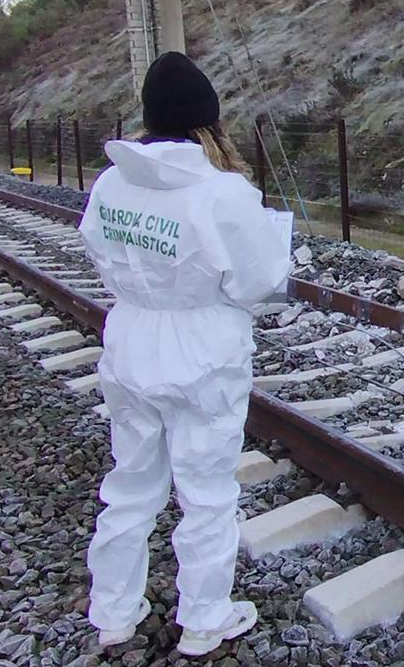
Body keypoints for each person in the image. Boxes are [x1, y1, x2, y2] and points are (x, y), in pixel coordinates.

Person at [78, 52, 290, 656]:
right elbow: (259, 282)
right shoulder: (223, 194)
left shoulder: (112, 182)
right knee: (207, 491)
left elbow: (99, 251)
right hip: (203, 351)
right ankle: (204, 619)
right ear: (209, 123)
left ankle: (114, 612)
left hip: (131, 340)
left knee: (130, 483)